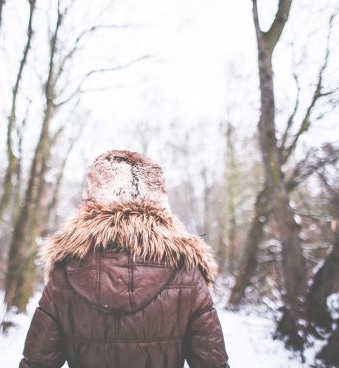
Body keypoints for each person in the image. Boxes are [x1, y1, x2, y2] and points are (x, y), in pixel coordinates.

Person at [19, 150, 229, 368]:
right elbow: (212, 363)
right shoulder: (187, 273)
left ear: (91, 200)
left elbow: (37, 362)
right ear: (160, 204)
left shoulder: (67, 271)